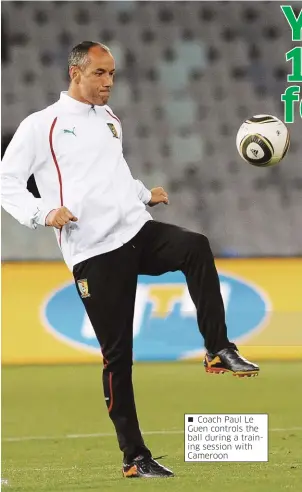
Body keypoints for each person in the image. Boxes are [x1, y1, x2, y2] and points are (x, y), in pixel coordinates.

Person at [1, 41, 259, 479]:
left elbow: (111, 172)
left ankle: (217, 348)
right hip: (94, 252)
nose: (109, 83)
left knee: (195, 245)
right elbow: (6, 181)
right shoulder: (41, 125)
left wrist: (143, 195)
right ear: (75, 73)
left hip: (135, 232)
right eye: (100, 74)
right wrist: (43, 213)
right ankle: (135, 458)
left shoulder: (109, 119)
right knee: (118, 357)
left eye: (113, 74)